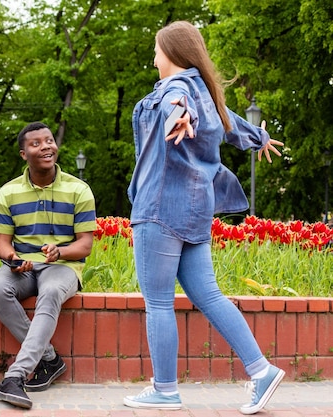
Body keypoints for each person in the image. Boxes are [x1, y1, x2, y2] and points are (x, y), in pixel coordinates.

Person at [123, 21, 285, 415]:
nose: (154, 57)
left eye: (157, 50)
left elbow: (176, 103)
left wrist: (180, 118)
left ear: (174, 54)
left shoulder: (176, 89)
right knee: (208, 295)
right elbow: (232, 123)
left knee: (158, 302)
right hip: (195, 210)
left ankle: (164, 390)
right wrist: (260, 138)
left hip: (159, 208)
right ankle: (261, 370)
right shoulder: (208, 94)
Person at [0, 121, 96, 409]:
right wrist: (12, 259)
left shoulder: (78, 189)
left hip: (63, 266)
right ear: (24, 154)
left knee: (50, 293)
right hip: (23, 267)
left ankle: (16, 376)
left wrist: (60, 252)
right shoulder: (9, 192)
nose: (46, 146)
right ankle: (49, 359)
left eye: (49, 141)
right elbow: (3, 243)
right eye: (36, 143)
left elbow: (85, 245)